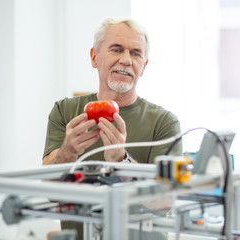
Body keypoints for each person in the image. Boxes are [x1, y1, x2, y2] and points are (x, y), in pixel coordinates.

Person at [42, 17, 182, 240]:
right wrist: (68, 152)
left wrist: (121, 161)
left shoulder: (164, 122)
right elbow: (49, 192)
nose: (126, 60)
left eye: (136, 53)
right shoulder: (65, 111)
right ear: (94, 57)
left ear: (143, 66)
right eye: (116, 49)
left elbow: (163, 203)